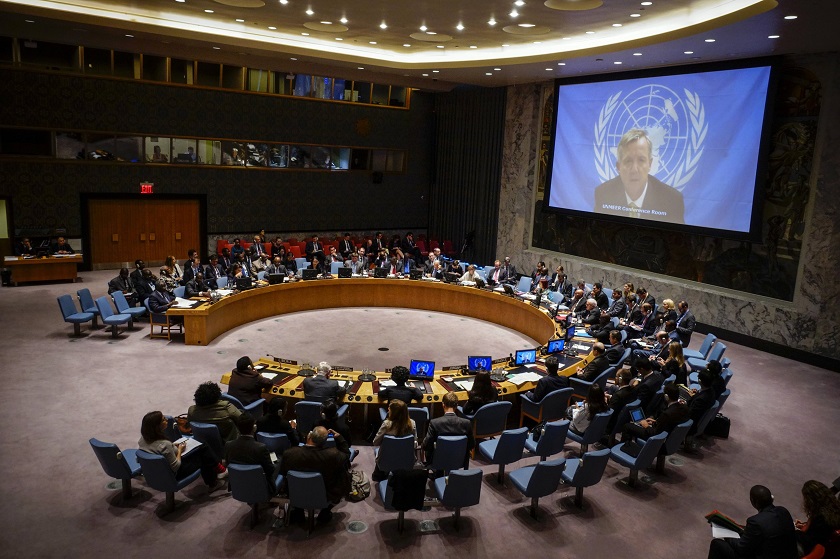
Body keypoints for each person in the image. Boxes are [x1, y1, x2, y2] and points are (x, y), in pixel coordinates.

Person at [594, 128, 685, 224]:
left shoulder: (672, 200)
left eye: (641, 160)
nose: (634, 169)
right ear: (618, 167)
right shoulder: (603, 193)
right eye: (628, 161)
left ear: (650, 164)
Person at [279, 426, 351, 524]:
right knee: (344, 473)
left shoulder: (289, 453)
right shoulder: (333, 455)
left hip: (295, 492)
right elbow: (347, 455)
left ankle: (298, 511)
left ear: (309, 436)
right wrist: (339, 438)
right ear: (324, 442)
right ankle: (325, 511)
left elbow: (282, 473)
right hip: (325, 492)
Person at [138, 411, 226, 491]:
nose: (166, 419)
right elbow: (176, 467)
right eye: (163, 419)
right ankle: (214, 482)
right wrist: (179, 450)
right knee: (203, 454)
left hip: (156, 471)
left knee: (201, 446)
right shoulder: (164, 445)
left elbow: (158, 450)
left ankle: (218, 468)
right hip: (174, 474)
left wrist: (173, 446)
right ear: (158, 426)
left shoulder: (143, 439)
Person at [707, 485, 797, 559]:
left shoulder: (755, 521)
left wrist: (725, 534)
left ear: (754, 502)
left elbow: (741, 548)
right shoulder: (783, 511)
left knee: (717, 544)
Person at [224, 413, 278, 494]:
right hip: (261, 485)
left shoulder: (228, 445)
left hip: (239, 484)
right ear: (254, 428)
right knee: (279, 464)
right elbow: (270, 470)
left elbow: (228, 464)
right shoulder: (261, 448)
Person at [422, 391, 474, 470]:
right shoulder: (466, 423)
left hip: (438, 460)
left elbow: (426, 445)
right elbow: (471, 445)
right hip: (460, 459)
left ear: (443, 405)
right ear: (456, 406)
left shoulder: (435, 423)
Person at [621, 383, 689, 443]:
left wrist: (646, 425)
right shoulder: (684, 407)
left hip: (657, 439)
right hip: (670, 437)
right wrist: (655, 422)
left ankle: (626, 447)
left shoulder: (667, 414)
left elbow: (654, 433)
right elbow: (668, 423)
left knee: (627, 426)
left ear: (666, 396)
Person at [372, 399, 417, 480]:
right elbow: (414, 444)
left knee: (380, 451)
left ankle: (379, 476)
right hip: (406, 459)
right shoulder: (412, 423)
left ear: (393, 412)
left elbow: (375, 442)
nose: (388, 409)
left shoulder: (387, 424)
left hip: (387, 459)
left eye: (389, 408)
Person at [795, 480, 840, 557]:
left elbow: (809, 540)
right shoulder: (833, 510)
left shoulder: (820, 518)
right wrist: (805, 525)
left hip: (809, 549)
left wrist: (795, 532)